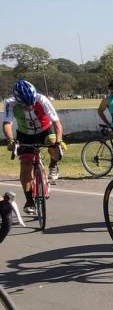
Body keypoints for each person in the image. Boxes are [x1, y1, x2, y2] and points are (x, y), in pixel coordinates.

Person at [2, 79, 65, 212]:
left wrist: (59, 141)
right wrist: (11, 140)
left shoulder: (42, 99)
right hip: (25, 134)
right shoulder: (10, 103)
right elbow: (7, 124)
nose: (30, 106)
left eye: (32, 103)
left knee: (55, 146)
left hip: (45, 130)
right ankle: (29, 201)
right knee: (25, 165)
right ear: (18, 99)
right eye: (26, 104)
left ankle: (53, 165)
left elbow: (56, 122)